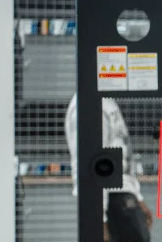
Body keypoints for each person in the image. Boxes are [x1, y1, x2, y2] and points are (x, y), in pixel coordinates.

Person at [65, 94, 154, 241]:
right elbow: (92, 170)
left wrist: (137, 196)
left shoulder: (105, 101)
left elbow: (120, 153)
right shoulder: (90, 106)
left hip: (120, 198)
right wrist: (99, 220)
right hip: (112, 202)